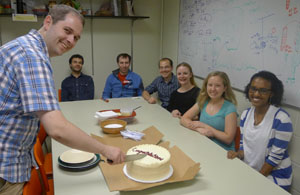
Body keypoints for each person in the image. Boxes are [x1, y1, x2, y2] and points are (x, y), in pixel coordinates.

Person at [0, 5, 124, 195]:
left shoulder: (24, 47)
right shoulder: (32, 57)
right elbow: (57, 129)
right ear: (48, 22)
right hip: (5, 167)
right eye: (67, 31)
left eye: (76, 37)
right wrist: (106, 150)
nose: (71, 40)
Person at [227, 71, 293, 191]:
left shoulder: (282, 119)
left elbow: (274, 159)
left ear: (271, 94)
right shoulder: (246, 114)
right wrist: (237, 154)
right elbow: (244, 148)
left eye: (263, 91)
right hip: (252, 171)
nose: (256, 94)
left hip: (274, 177)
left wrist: (253, 181)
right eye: (253, 89)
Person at [180, 71, 238, 151]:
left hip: (222, 150)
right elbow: (184, 119)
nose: (213, 89)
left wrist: (205, 126)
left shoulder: (230, 108)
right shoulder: (203, 101)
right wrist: (198, 129)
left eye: (217, 86)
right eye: (210, 85)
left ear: (225, 88)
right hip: (204, 144)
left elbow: (228, 139)